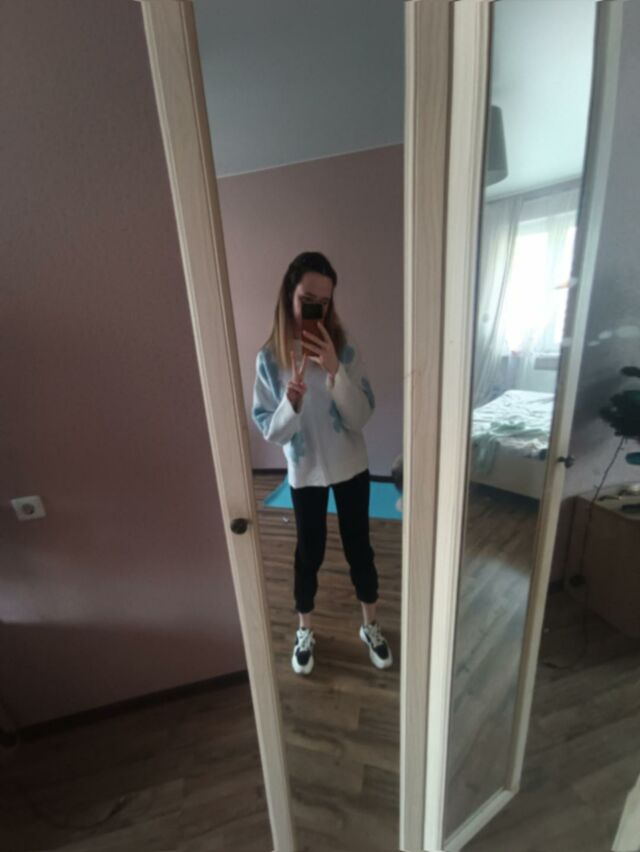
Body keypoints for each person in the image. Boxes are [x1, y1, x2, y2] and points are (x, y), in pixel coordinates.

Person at [252, 251, 392, 676]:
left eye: (324, 303)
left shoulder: (343, 349)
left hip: (351, 466)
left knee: (359, 548)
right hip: (304, 471)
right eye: (307, 300)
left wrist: (335, 372)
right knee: (308, 553)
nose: (316, 310)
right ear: (288, 296)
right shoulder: (270, 359)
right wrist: (290, 403)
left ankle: (370, 625)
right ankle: (304, 629)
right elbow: (271, 430)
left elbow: (361, 416)